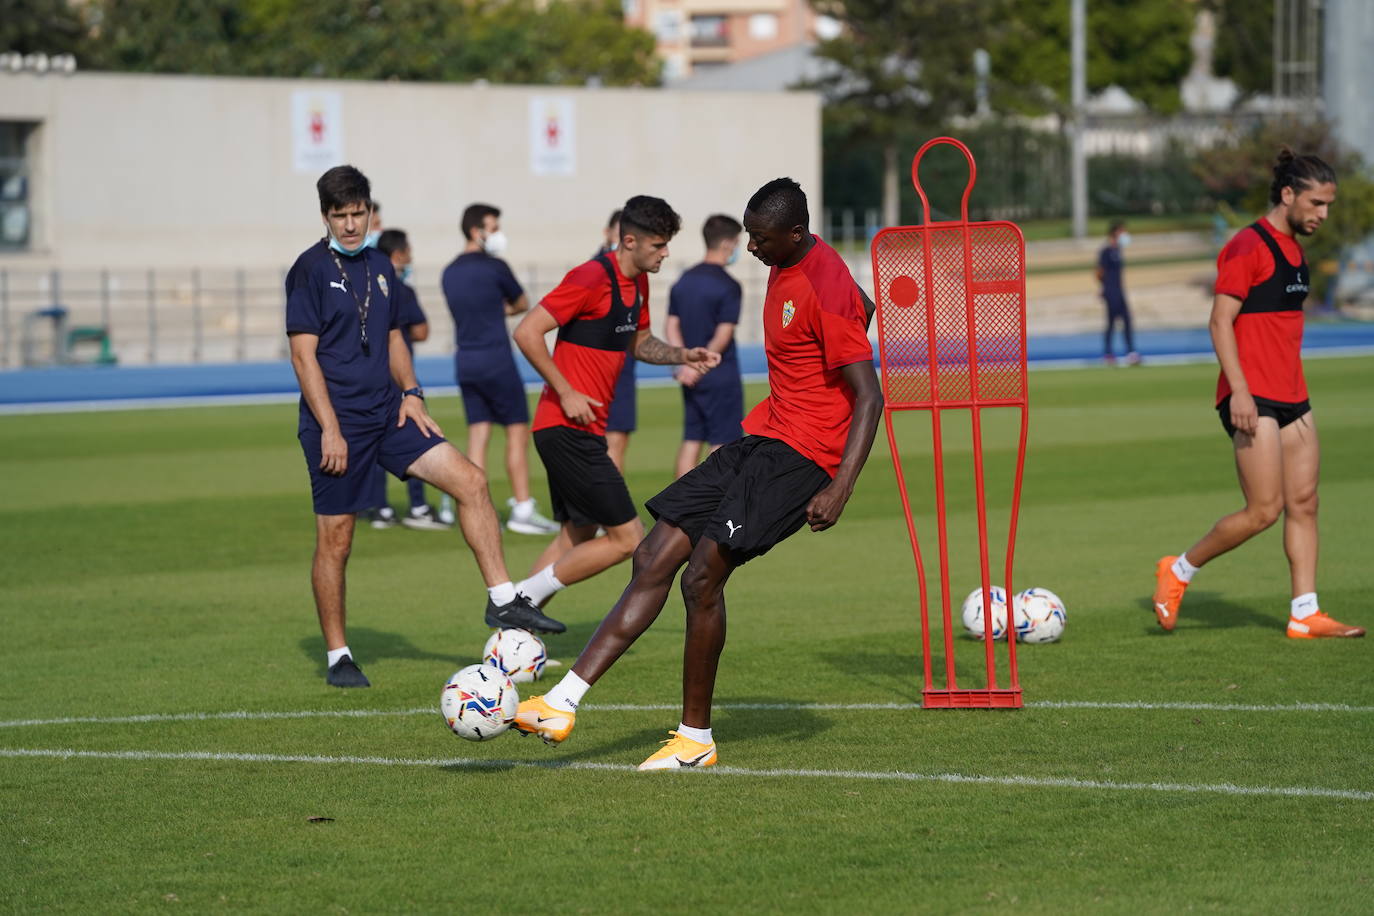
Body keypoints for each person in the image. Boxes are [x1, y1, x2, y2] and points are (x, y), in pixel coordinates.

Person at [513, 178, 882, 769]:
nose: (751, 248)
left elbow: (870, 396)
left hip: (803, 457)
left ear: (795, 233)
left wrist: (840, 485)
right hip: (761, 437)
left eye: (761, 240)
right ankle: (561, 701)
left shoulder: (823, 280)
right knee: (652, 555)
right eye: (749, 236)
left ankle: (695, 740)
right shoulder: (803, 263)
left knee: (701, 579)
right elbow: (864, 305)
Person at [285, 166, 565, 689]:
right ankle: (338, 655)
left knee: (472, 481)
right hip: (337, 425)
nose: (350, 225)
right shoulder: (308, 270)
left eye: (358, 214)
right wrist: (329, 427)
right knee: (337, 541)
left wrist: (412, 393)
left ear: (371, 212)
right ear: (325, 216)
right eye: (340, 216)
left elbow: (394, 338)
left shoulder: (382, 266)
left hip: (390, 415)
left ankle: (503, 601)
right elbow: (303, 357)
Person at [1152, 149, 1363, 640]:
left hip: (1293, 396)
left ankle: (1304, 613)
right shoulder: (1247, 246)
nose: (1322, 215)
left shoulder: (1296, 250)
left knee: (1305, 502)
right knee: (1263, 511)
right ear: (1288, 195)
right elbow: (1219, 321)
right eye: (1316, 203)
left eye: (1328, 205)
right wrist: (1241, 393)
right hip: (1251, 396)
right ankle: (1179, 570)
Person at [510, 195, 720, 614]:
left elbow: (639, 344)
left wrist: (684, 355)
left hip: (584, 428)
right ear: (629, 241)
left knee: (577, 534)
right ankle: (519, 600)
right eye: (658, 245)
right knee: (627, 539)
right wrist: (566, 391)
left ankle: (514, 632)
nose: (666, 253)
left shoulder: (638, 282)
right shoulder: (590, 277)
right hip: (565, 426)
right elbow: (527, 332)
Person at [441, 203, 558, 536]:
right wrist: (498, 308)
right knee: (516, 432)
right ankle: (522, 508)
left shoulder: (449, 272)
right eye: (493, 227)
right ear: (476, 230)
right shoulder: (495, 267)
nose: (497, 234)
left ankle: (473, 501)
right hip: (495, 357)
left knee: (478, 432)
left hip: (465, 359)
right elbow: (522, 303)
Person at [357, 228, 451, 531]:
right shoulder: (401, 290)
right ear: (398, 255)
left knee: (372, 442)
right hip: (400, 377)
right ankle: (418, 506)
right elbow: (422, 331)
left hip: (368, 376)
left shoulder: (363, 287)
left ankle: (378, 506)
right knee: (415, 438)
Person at [666, 214, 745, 479]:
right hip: (719, 374)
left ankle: (678, 508)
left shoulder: (683, 280)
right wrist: (700, 367)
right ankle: (712, 507)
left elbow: (671, 325)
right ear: (727, 244)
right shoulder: (729, 286)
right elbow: (723, 335)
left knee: (692, 438)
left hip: (690, 376)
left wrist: (683, 365)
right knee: (724, 444)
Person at [599, 209, 637, 473]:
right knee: (607, 443)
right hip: (601, 370)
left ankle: (611, 512)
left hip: (623, 368)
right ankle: (610, 513)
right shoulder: (595, 272)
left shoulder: (632, 276)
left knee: (618, 441)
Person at [1097, 220, 1140, 366]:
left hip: (1120, 291)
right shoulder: (1106, 251)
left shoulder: (1119, 250)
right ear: (1115, 233)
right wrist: (1105, 287)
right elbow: (1099, 272)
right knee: (1111, 322)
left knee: (1127, 320)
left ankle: (1131, 352)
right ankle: (1108, 353)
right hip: (1111, 291)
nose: (1125, 235)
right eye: (1122, 232)